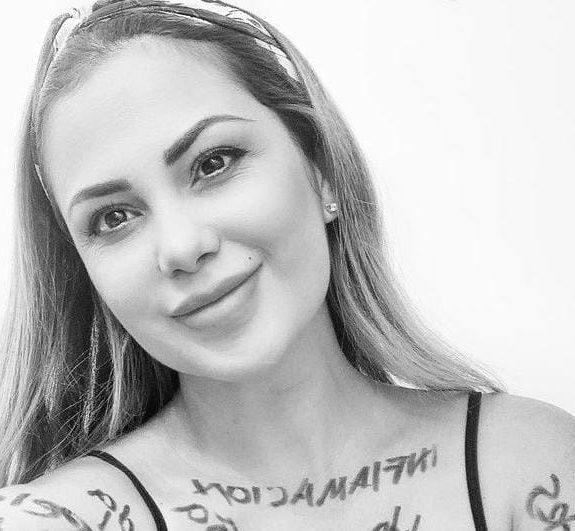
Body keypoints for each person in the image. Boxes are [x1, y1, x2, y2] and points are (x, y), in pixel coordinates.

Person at [0, 0, 573, 529]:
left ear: (321, 169)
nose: (181, 247)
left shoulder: (527, 466)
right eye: (114, 218)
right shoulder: (52, 520)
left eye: (214, 163)